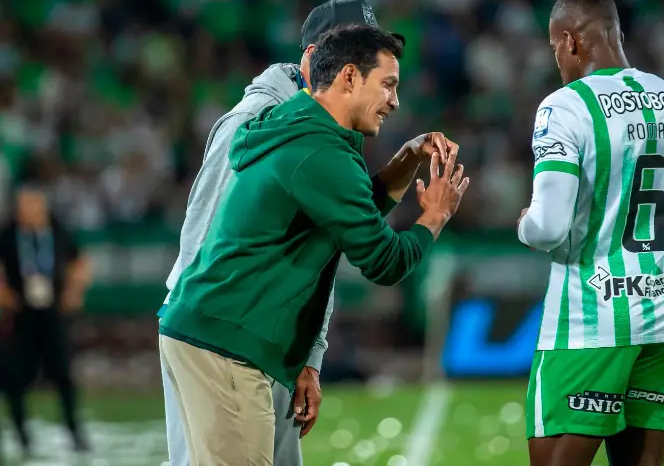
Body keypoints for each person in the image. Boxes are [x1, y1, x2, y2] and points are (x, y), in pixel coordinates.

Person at [160, 23, 468, 465]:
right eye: (387, 85)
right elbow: (384, 261)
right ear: (347, 76)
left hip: (207, 330)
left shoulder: (301, 125)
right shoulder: (322, 153)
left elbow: (347, 211)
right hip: (225, 343)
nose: (395, 101)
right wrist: (435, 215)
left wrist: (406, 159)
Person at [517, 0, 664, 466]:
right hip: (663, 316)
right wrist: (652, 234)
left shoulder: (565, 107)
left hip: (589, 321)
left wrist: (524, 225)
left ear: (570, 40)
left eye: (555, 46)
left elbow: (548, 228)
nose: (557, 58)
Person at [0, 185, 92, 457]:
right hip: (20, 316)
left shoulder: (58, 230)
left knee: (63, 374)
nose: (27, 211)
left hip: (53, 314)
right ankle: (22, 436)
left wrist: (74, 290)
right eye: (23, 205)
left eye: (32, 204)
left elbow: (80, 261)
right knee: (13, 377)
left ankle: (75, 433)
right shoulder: (8, 235)